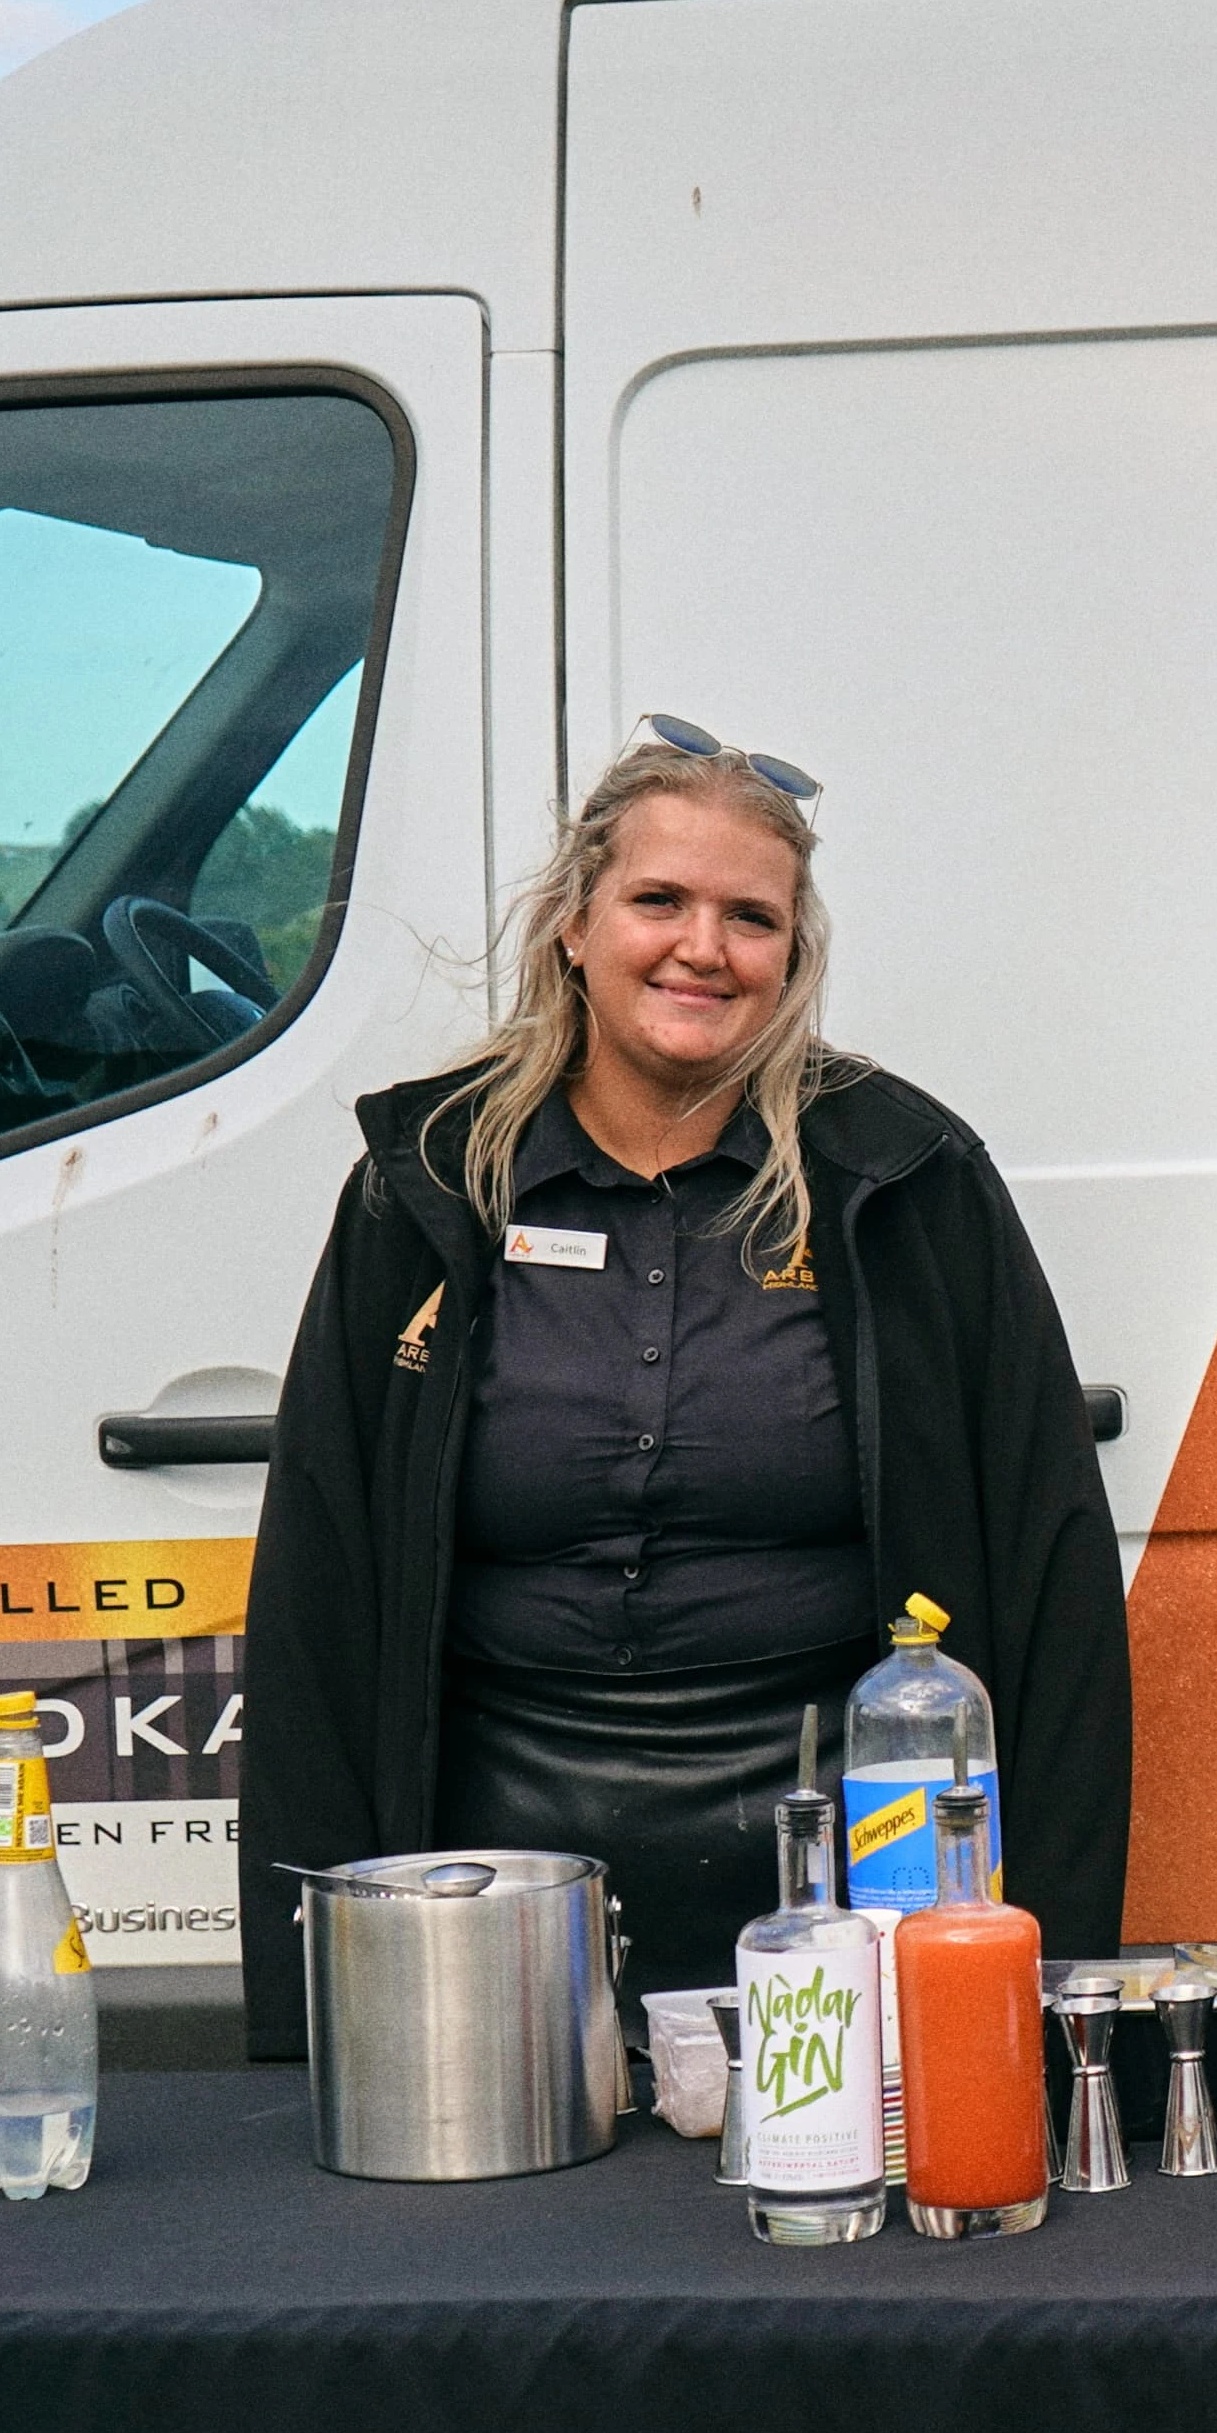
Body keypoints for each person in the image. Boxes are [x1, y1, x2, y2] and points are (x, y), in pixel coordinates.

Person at [238, 724, 1127, 2056]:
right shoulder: (425, 1185)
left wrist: (1037, 1997)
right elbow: (318, 1595)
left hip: (846, 1889)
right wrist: (305, 2007)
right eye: (659, 901)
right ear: (572, 927)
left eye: (749, 917)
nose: (702, 948)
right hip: (491, 1908)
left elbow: (1055, 1584)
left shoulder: (907, 1182)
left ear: (793, 956)